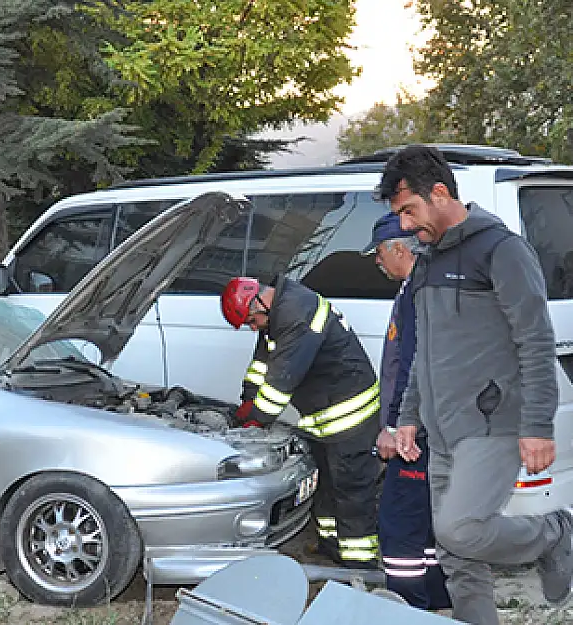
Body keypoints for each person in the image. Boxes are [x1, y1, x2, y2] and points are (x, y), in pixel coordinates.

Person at [382, 145, 572, 624]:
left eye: (409, 210)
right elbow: (422, 350)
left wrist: (537, 425)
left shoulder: (502, 251)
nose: (404, 227)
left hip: (494, 423)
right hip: (442, 429)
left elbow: (535, 340)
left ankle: (554, 533)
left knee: (459, 530)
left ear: (440, 193)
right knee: (457, 558)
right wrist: (407, 418)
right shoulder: (426, 261)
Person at [221, 275, 381, 569]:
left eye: (252, 322)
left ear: (260, 302)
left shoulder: (297, 314)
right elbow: (263, 362)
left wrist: (257, 418)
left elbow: (283, 379)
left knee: (351, 489)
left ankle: (360, 564)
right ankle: (331, 546)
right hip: (324, 412)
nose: (253, 328)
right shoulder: (277, 313)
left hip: (349, 413)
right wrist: (247, 397)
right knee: (326, 486)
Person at [363, 212, 451, 610]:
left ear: (399, 248)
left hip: (415, 431)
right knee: (425, 519)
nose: (377, 263)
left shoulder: (418, 294)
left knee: (399, 525)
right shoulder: (421, 288)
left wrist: (395, 426)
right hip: (432, 426)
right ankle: (435, 598)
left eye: (379, 254)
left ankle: (406, 606)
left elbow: (411, 366)